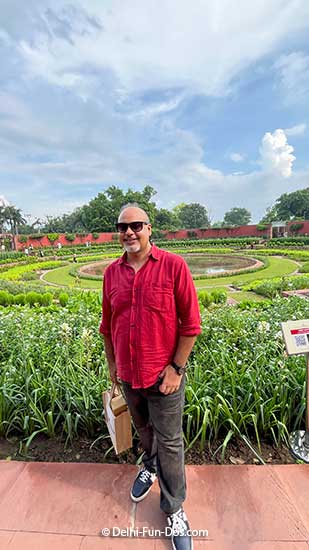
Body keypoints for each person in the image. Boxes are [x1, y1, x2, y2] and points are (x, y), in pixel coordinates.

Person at [100, 203, 201, 550]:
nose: (129, 232)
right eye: (122, 226)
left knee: (170, 441)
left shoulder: (173, 267)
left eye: (136, 225)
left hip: (164, 377)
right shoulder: (112, 273)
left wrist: (177, 369)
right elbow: (107, 325)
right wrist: (112, 365)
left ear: (149, 228)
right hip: (129, 374)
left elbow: (191, 325)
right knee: (144, 430)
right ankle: (150, 466)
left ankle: (174, 507)